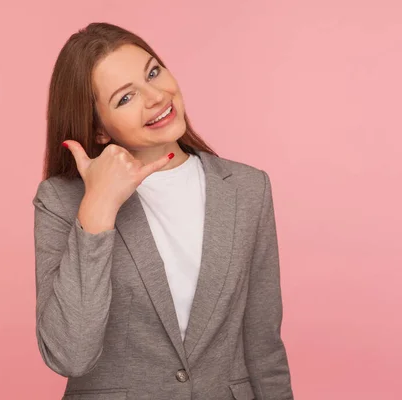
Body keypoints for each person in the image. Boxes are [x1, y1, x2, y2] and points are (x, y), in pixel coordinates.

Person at [32, 22, 294, 400]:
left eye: (153, 72)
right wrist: (98, 208)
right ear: (100, 130)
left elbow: (263, 345)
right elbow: (70, 354)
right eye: (125, 98)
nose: (156, 97)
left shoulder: (248, 189)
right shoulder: (61, 200)